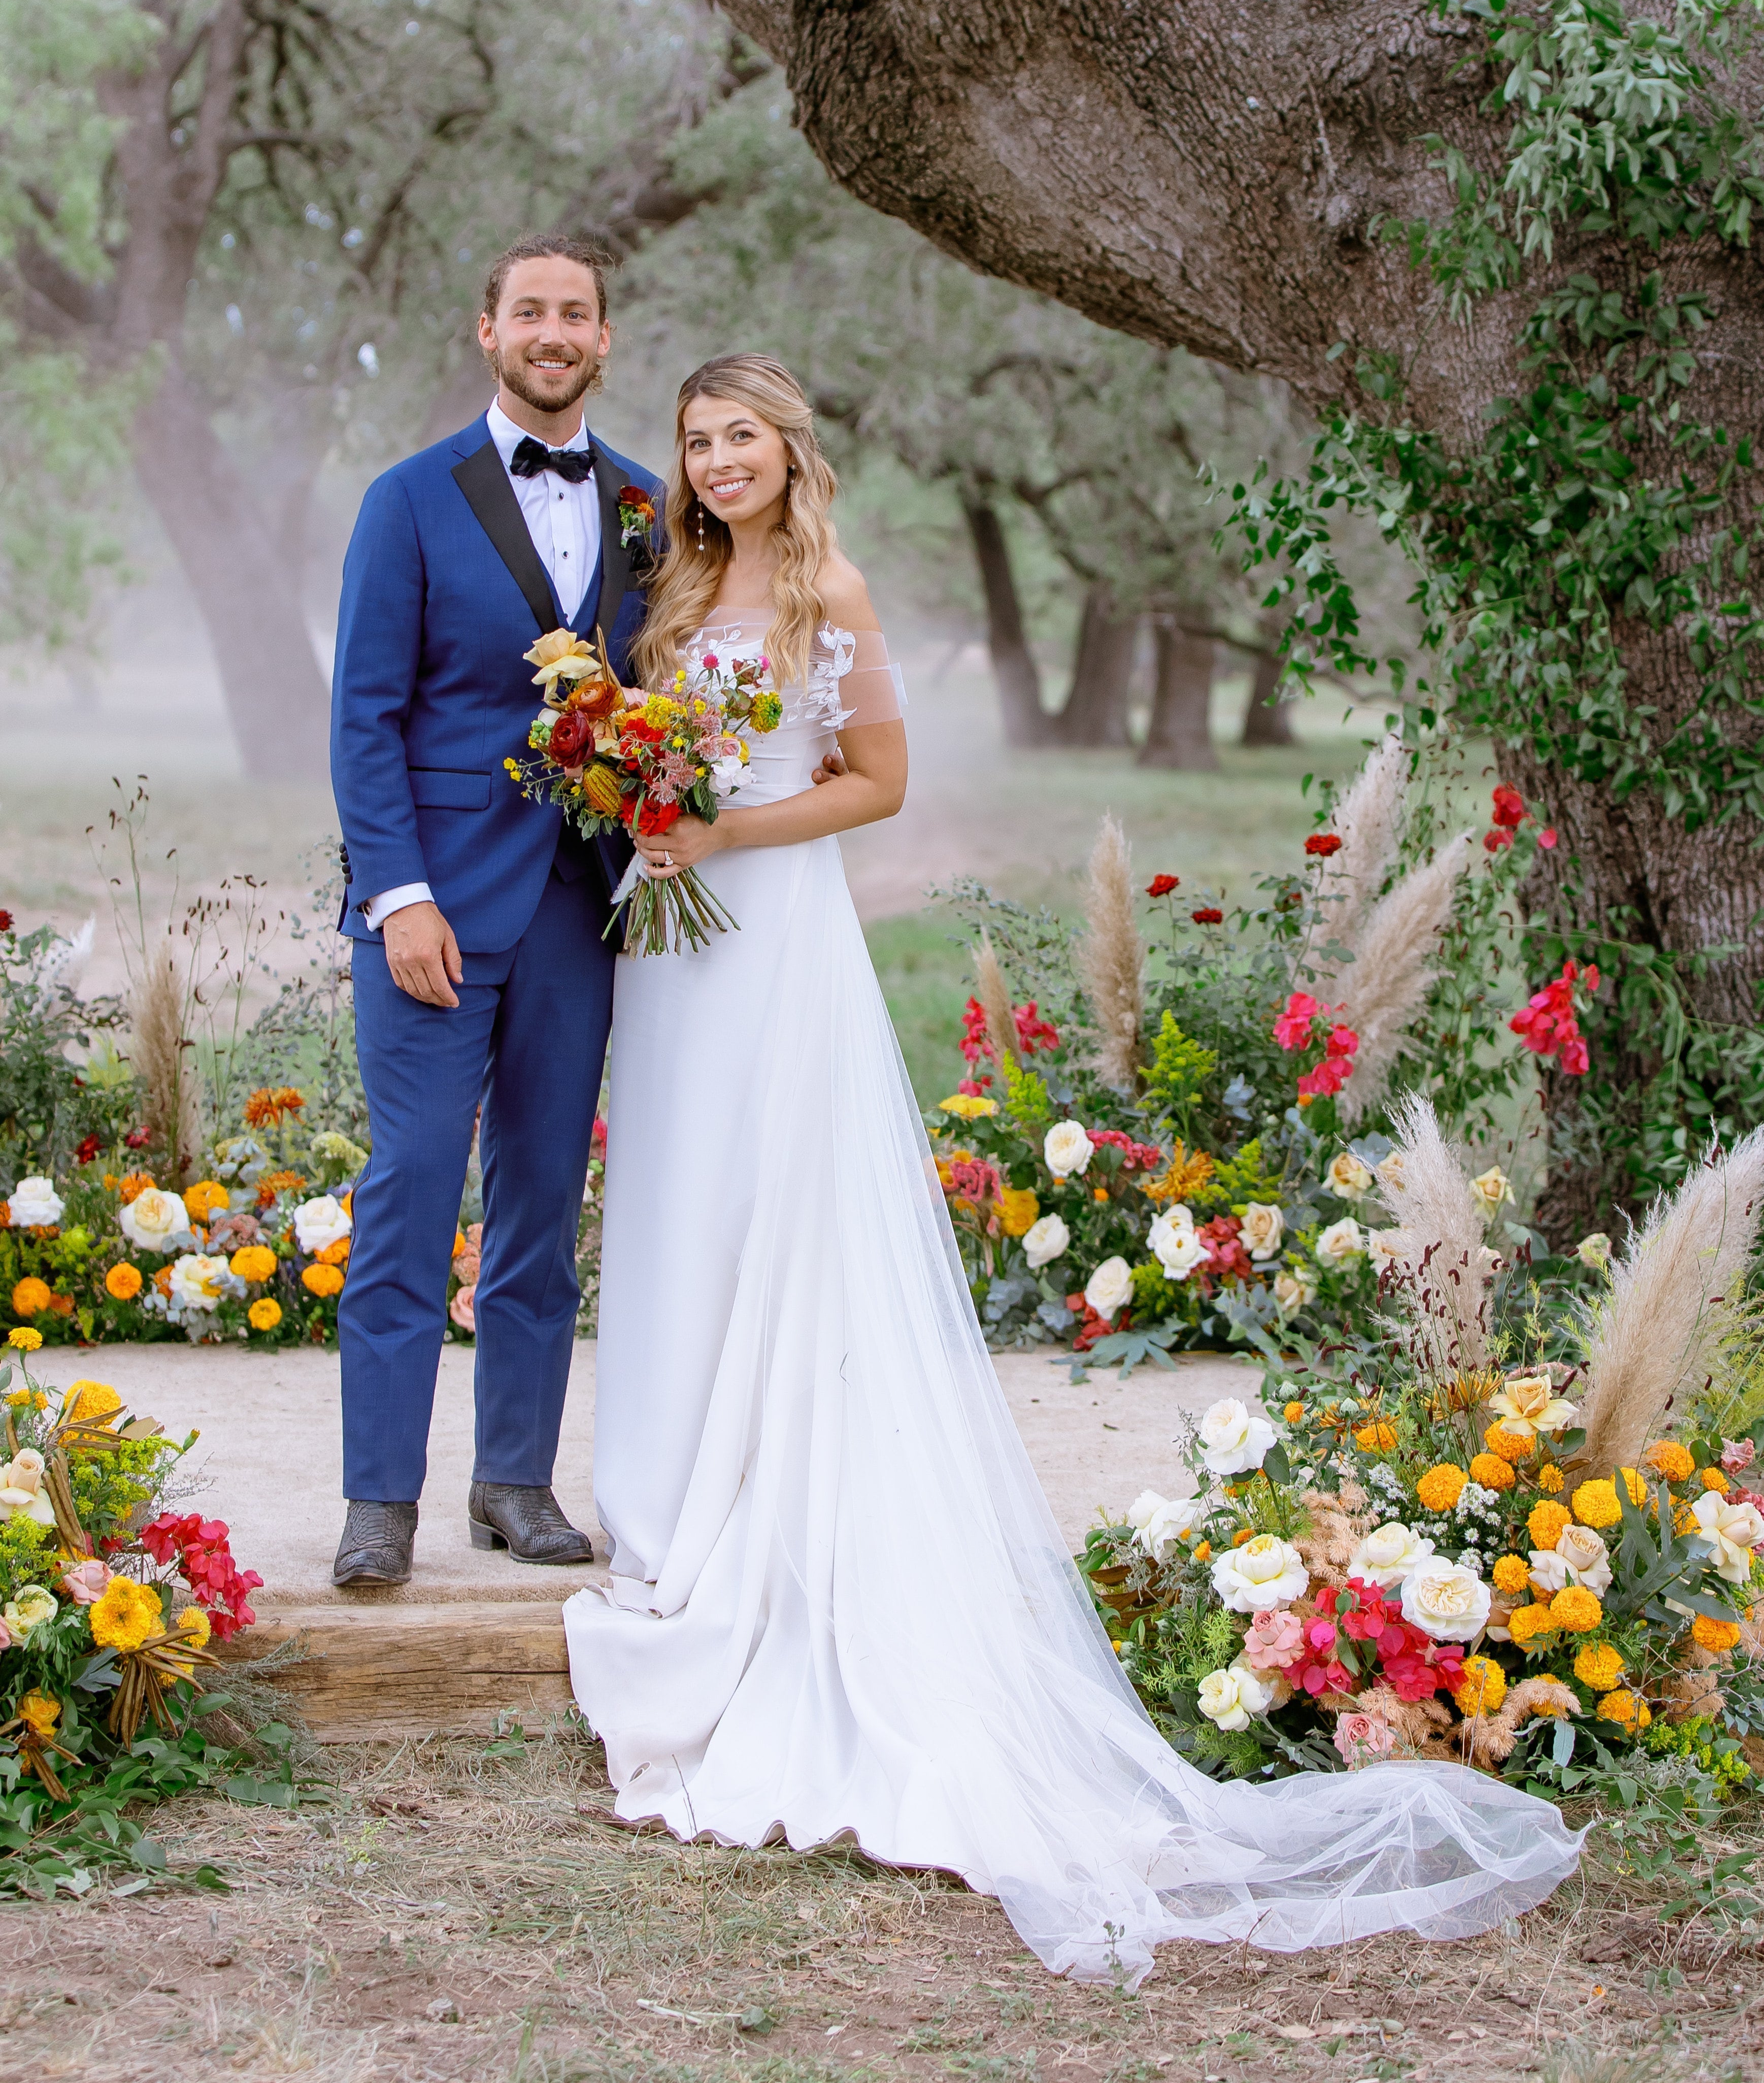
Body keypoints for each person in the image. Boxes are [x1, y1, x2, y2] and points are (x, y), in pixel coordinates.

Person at [561, 355, 1584, 1985]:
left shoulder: (833, 583)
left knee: (779, 1202)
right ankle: (666, 1497)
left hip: (771, 933)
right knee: (679, 1200)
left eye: (738, 434)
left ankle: (754, 1510)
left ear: (789, 446)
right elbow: (632, 735)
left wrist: (720, 830)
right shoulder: (673, 577)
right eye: (695, 439)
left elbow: (875, 784)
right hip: (670, 949)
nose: (715, 459)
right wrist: (636, 793)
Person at [327, 230, 661, 1588]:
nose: (552, 331)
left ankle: (512, 1481)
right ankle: (378, 1503)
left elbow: (667, 694)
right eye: (529, 309)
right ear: (488, 331)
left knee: (540, 1195)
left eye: (574, 312)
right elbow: (365, 714)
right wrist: (396, 892)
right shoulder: (406, 500)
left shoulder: (649, 503)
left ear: (602, 338)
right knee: (408, 1189)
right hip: (434, 914)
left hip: (584, 912)